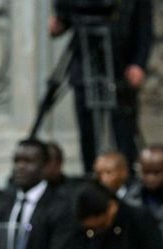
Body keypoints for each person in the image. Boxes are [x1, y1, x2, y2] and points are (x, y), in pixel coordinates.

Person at [50, 0, 153, 173]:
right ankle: (90, 173)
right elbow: (64, 18)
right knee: (87, 131)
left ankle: (126, 176)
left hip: (120, 63)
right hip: (84, 62)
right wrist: (59, 22)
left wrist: (139, 62)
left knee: (124, 129)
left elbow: (144, 28)